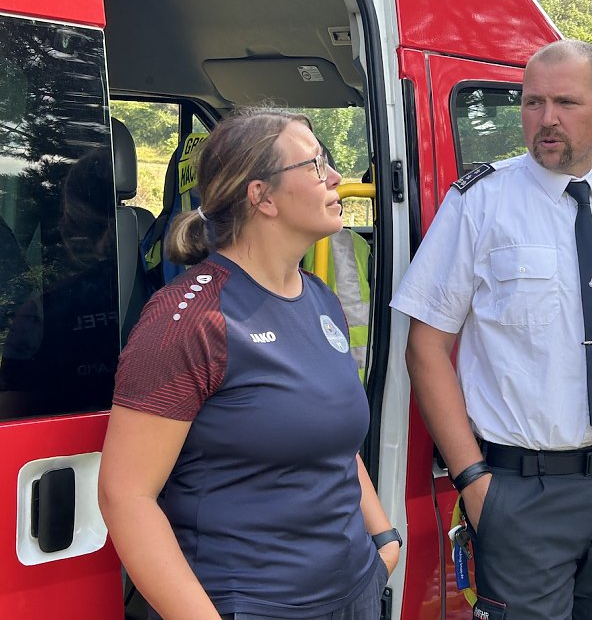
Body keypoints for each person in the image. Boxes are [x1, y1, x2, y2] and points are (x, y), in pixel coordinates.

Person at [390, 39, 592, 619]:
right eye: (532, 103)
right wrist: (475, 483)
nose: (546, 119)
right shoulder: (479, 204)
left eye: (566, 102)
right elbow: (426, 346)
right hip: (519, 491)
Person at [98, 108, 399, 620]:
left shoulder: (320, 298)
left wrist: (384, 541)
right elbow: (125, 497)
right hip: (249, 603)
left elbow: (334, 437)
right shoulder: (189, 319)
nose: (335, 179)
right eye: (314, 165)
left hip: (353, 592)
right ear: (261, 196)